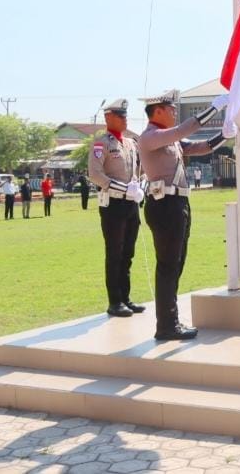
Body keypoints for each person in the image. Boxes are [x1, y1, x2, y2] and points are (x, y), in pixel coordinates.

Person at [139, 89, 231, 340]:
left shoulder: (169, 139)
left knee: (176, 265)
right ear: (157, 111)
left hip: (178, 203)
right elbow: (183, 131)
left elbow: (199, 147)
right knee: (168, 266)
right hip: (163, 204)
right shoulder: (150, 137)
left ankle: (171, 320)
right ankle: (167, 325)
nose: (174, 112)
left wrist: (223, 135)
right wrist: (214, 108)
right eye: (170, 109)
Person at [89, 98, 147, 319]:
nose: (125, 119)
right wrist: (124, 189)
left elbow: (140, 170)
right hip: (113, 203)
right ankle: (114, 301)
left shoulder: (131, 143)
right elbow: (95, 174)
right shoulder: (101, 143)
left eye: (125, 115)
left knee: (128, 253)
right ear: (108, 118)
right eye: (120, 116)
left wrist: (141, 184)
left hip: (131, 203)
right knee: (114, 253)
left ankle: (126, 298)